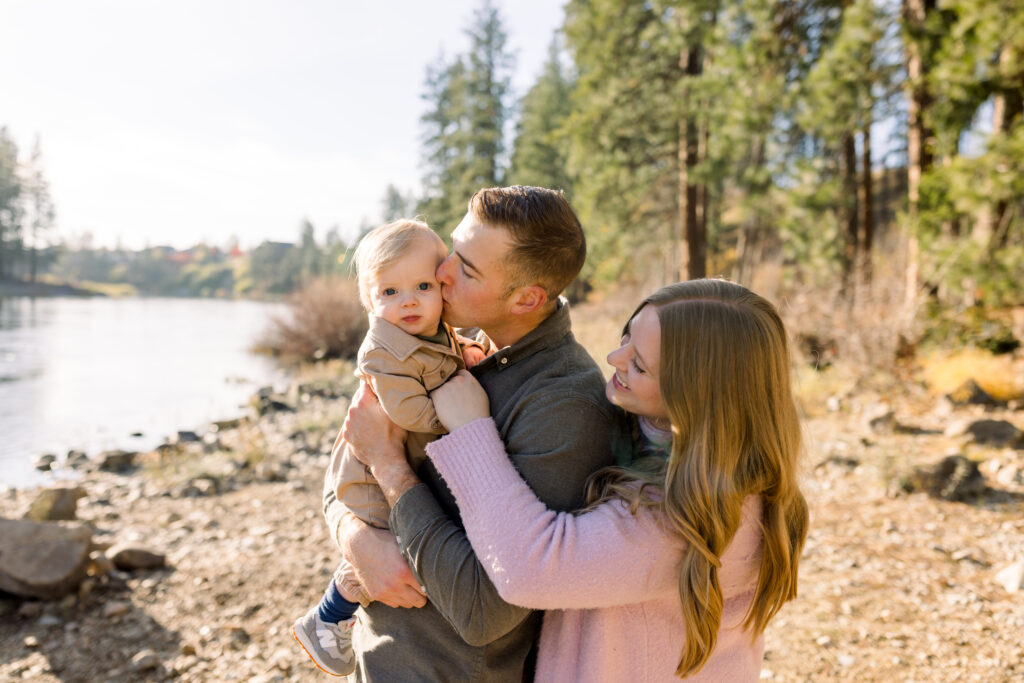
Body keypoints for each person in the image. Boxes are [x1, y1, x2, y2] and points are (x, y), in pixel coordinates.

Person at [344, 279, 810, 681]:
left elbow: (529, 568)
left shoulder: (696, 515)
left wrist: (465, 433)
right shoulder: (670, 443)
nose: (613, 356)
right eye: (626, 336)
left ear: (696, 397)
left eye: (640, 364)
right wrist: (354, 532)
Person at [322, 186, 623, 680]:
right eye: (450, 252)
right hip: (379, 657)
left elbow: (486, 611)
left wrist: (390, 467)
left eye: (466, 267)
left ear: (526, 298)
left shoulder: (565, 406)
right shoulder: (450, 345)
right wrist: (354, 536)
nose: (439, 273)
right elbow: (351, 458)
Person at [293, 219, 486, 675]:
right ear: (369, 300)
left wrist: (470, 352)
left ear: (442, 286)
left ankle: (332, 616)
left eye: (422, 285)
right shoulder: (382, 351)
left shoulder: (431, 332)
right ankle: (328, 617)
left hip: (394, 459)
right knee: (390, 545)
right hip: (366, 473)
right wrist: (460, 417)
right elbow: (405, 413)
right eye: (390, 292)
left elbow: (446, 351)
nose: (409, 301)